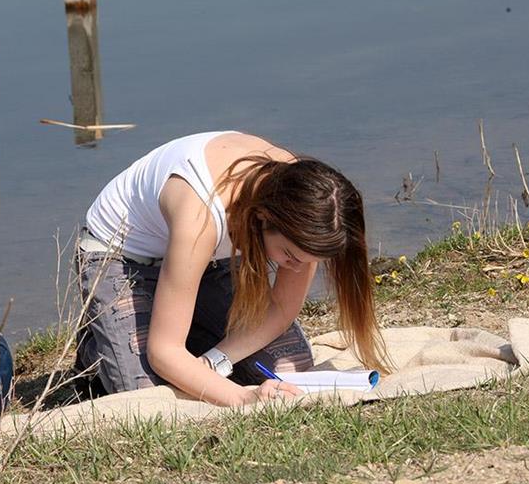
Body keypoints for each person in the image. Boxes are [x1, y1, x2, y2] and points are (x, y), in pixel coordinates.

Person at [72, 130, 387, 406]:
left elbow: (281, 308)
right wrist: (243, 399)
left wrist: (214, 361)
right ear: (263, 217)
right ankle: (95, 347)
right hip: (122, 259)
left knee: (289, 369)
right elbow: (164, 351)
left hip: (209, 260)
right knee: (149, 394)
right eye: (290, 256)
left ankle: (188, 327)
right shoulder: (199, 216)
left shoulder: (311, 202)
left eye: (308, 261)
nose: (295, 267)